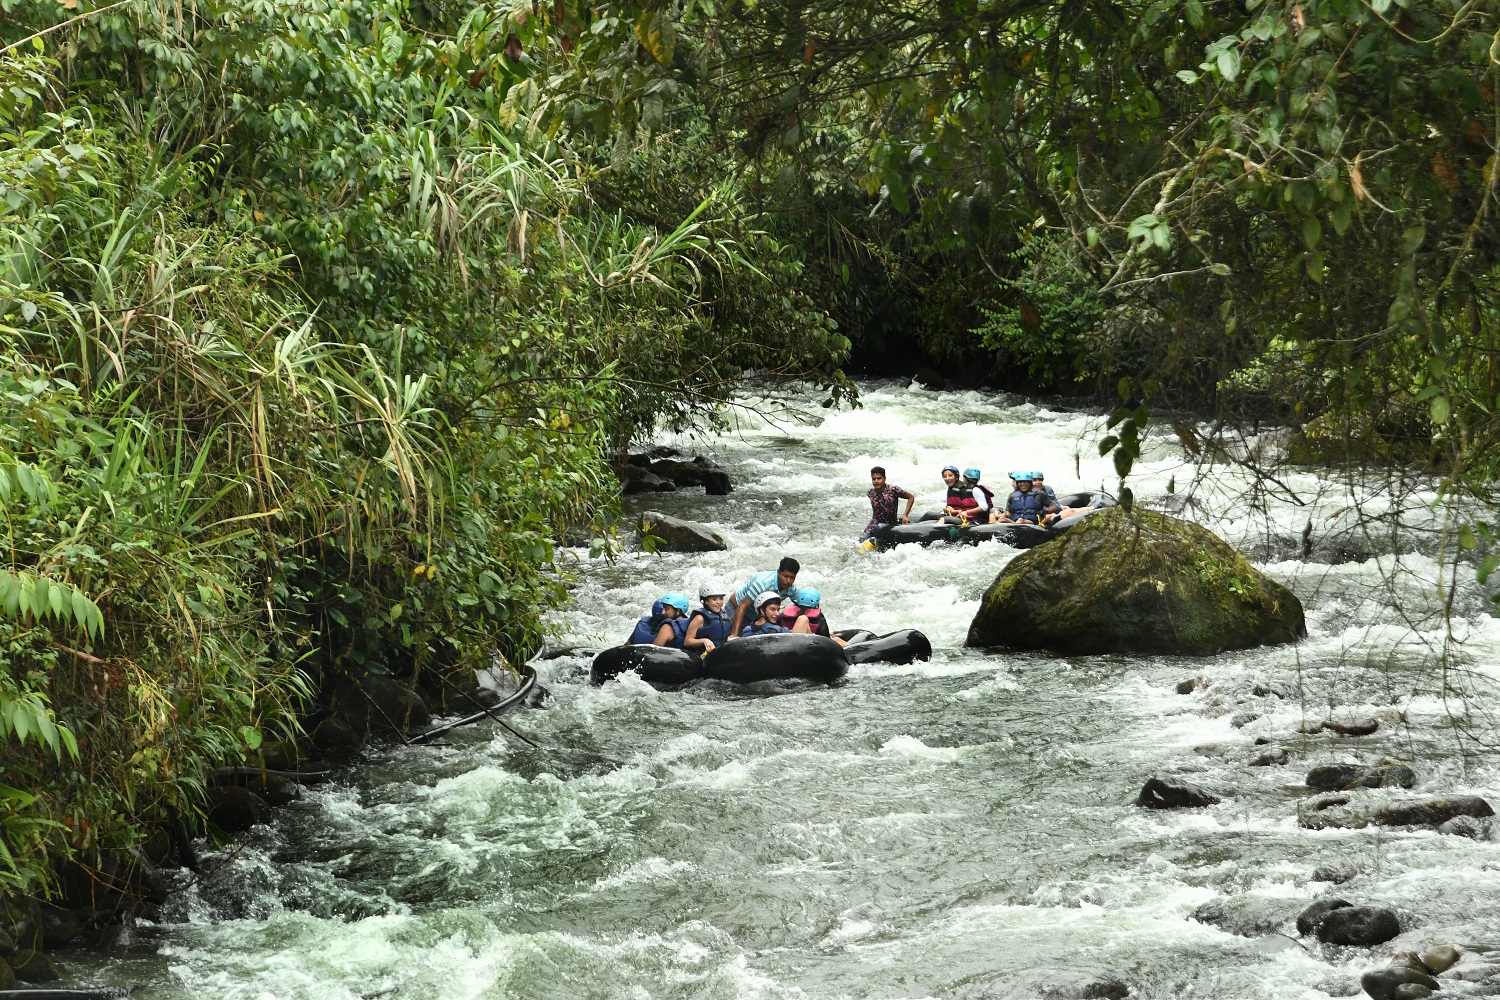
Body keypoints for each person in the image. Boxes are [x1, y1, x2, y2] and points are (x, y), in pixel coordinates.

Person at [727, 557, 799, 637]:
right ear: (778, 572)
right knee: (729, 637)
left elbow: (801, 605)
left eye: (792, 578)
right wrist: (734, 635)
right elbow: (742, 606)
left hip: (760, 615)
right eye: (785, 576)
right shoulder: (762, 584)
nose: (788, 581)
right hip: (737, 608)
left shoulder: (791, 588)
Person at [860, 466, 914, 546]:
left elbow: (911, 497)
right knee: (860, 541)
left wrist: (905, 515)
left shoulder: (893, 490)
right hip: (874, 524)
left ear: (884, 479)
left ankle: (876, 541)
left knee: (880, 527)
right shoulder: (870, 493)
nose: (876, 481)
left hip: (890, 524)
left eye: (879, 478)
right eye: (874, 479)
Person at [778, 586, 850, 646]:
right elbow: (826, 640)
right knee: (837, 640)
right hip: (808, 647)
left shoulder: (783, 615)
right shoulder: (819, 619)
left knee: (836, 639)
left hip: (785, 643)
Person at [683, 582, 733, 654]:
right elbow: (687, 642)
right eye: (714, 599)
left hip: (721, 655)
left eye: (721, 598)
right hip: (703, 656)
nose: (719, 602)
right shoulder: (699, 618)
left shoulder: (725, 616)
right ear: (706, 601)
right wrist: (704, 640)